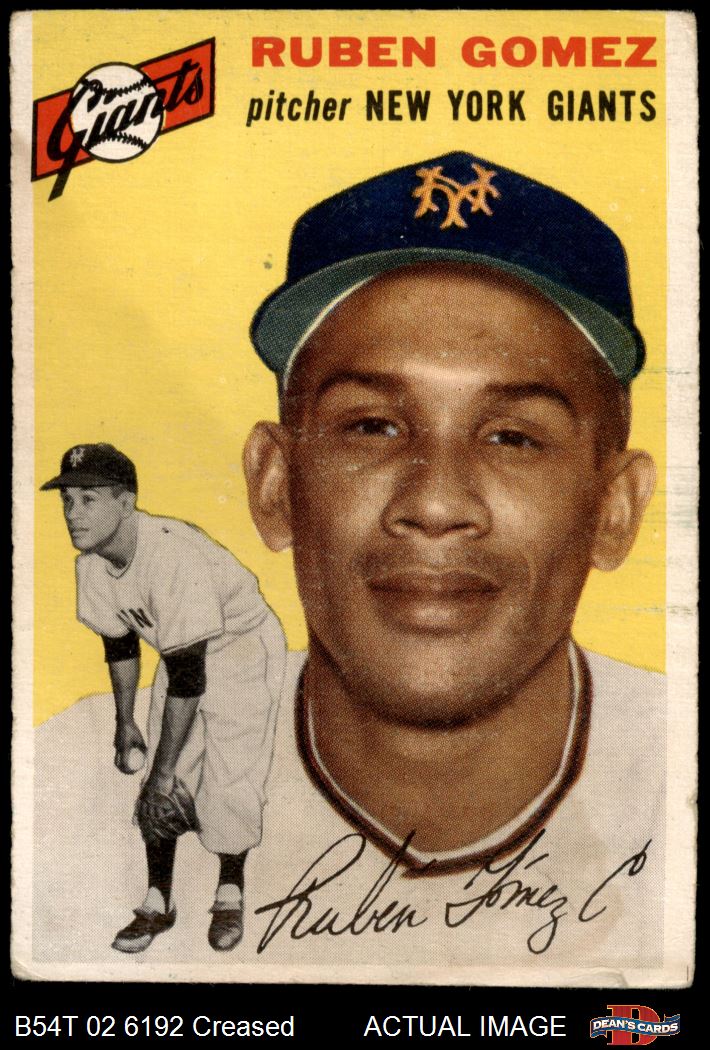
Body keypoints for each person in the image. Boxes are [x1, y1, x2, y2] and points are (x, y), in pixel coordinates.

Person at [239, 152, 665, 963]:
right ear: (276, 486)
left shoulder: (676, 771)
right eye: (373, 427)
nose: (435, 504)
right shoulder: (71, 790)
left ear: (614, 509)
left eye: (513, 437)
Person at [41, 444, 286, 953]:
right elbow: (121, 646)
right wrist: (124, 720)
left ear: (126, 502)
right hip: (185, 654)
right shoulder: (92, 565)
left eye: (89, 499)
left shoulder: (171, 555)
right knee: (161, 762)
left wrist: (162, 774)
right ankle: (158, 901)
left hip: (242, 647)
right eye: (67, 500)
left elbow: (189, 680)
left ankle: (229, 893)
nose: (73, 513)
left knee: (226, 774)